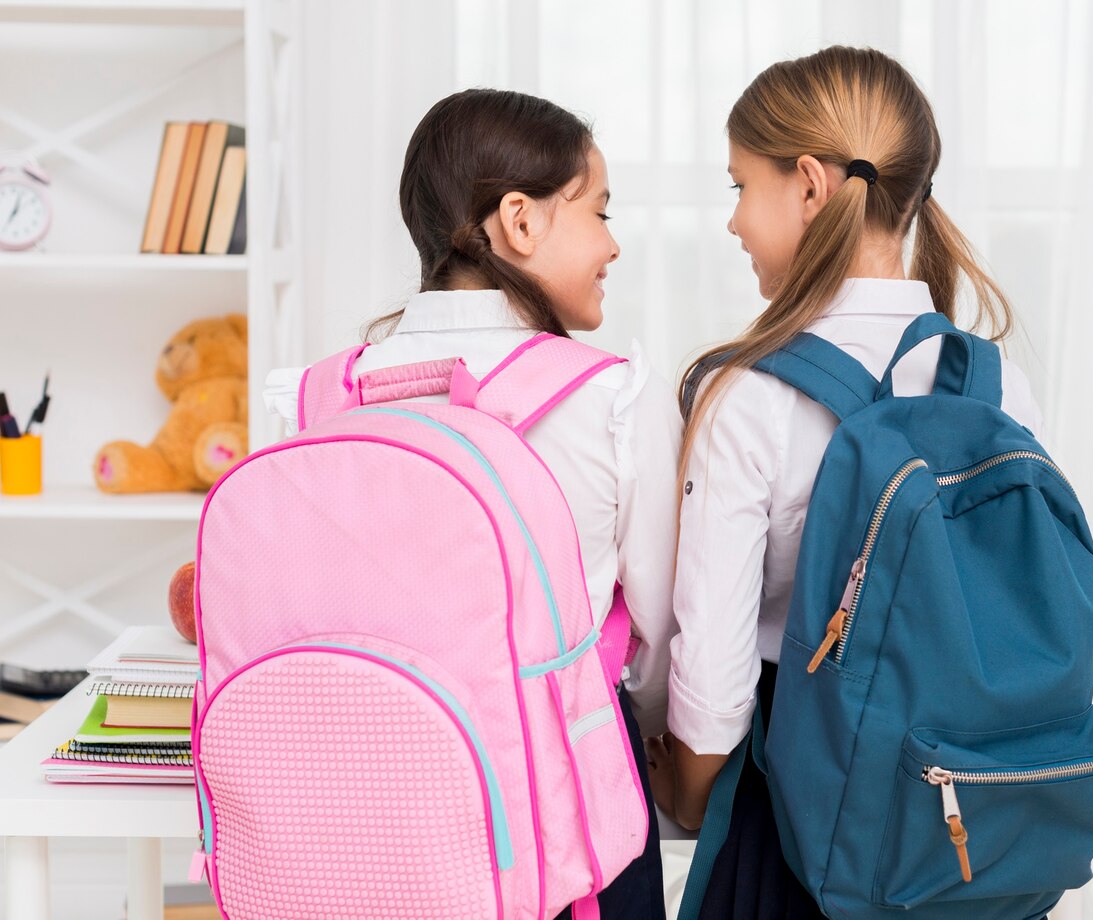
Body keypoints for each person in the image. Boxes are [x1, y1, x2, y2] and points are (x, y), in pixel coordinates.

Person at [264, 88, 680, 919]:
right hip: (556, 829)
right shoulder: (611, 400)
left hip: (349, 819)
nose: (612, 244)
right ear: (519, 221)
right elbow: (662, 630)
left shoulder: (316, 396)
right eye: (599, 211)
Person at [649, 46, 1044, 919]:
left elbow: (713, 689)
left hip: (802, 827)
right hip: (974, 833)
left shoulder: (749, 396)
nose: (733, 221)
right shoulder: (998, 385)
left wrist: (686, 795)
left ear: (808, 185)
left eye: (739, 187)